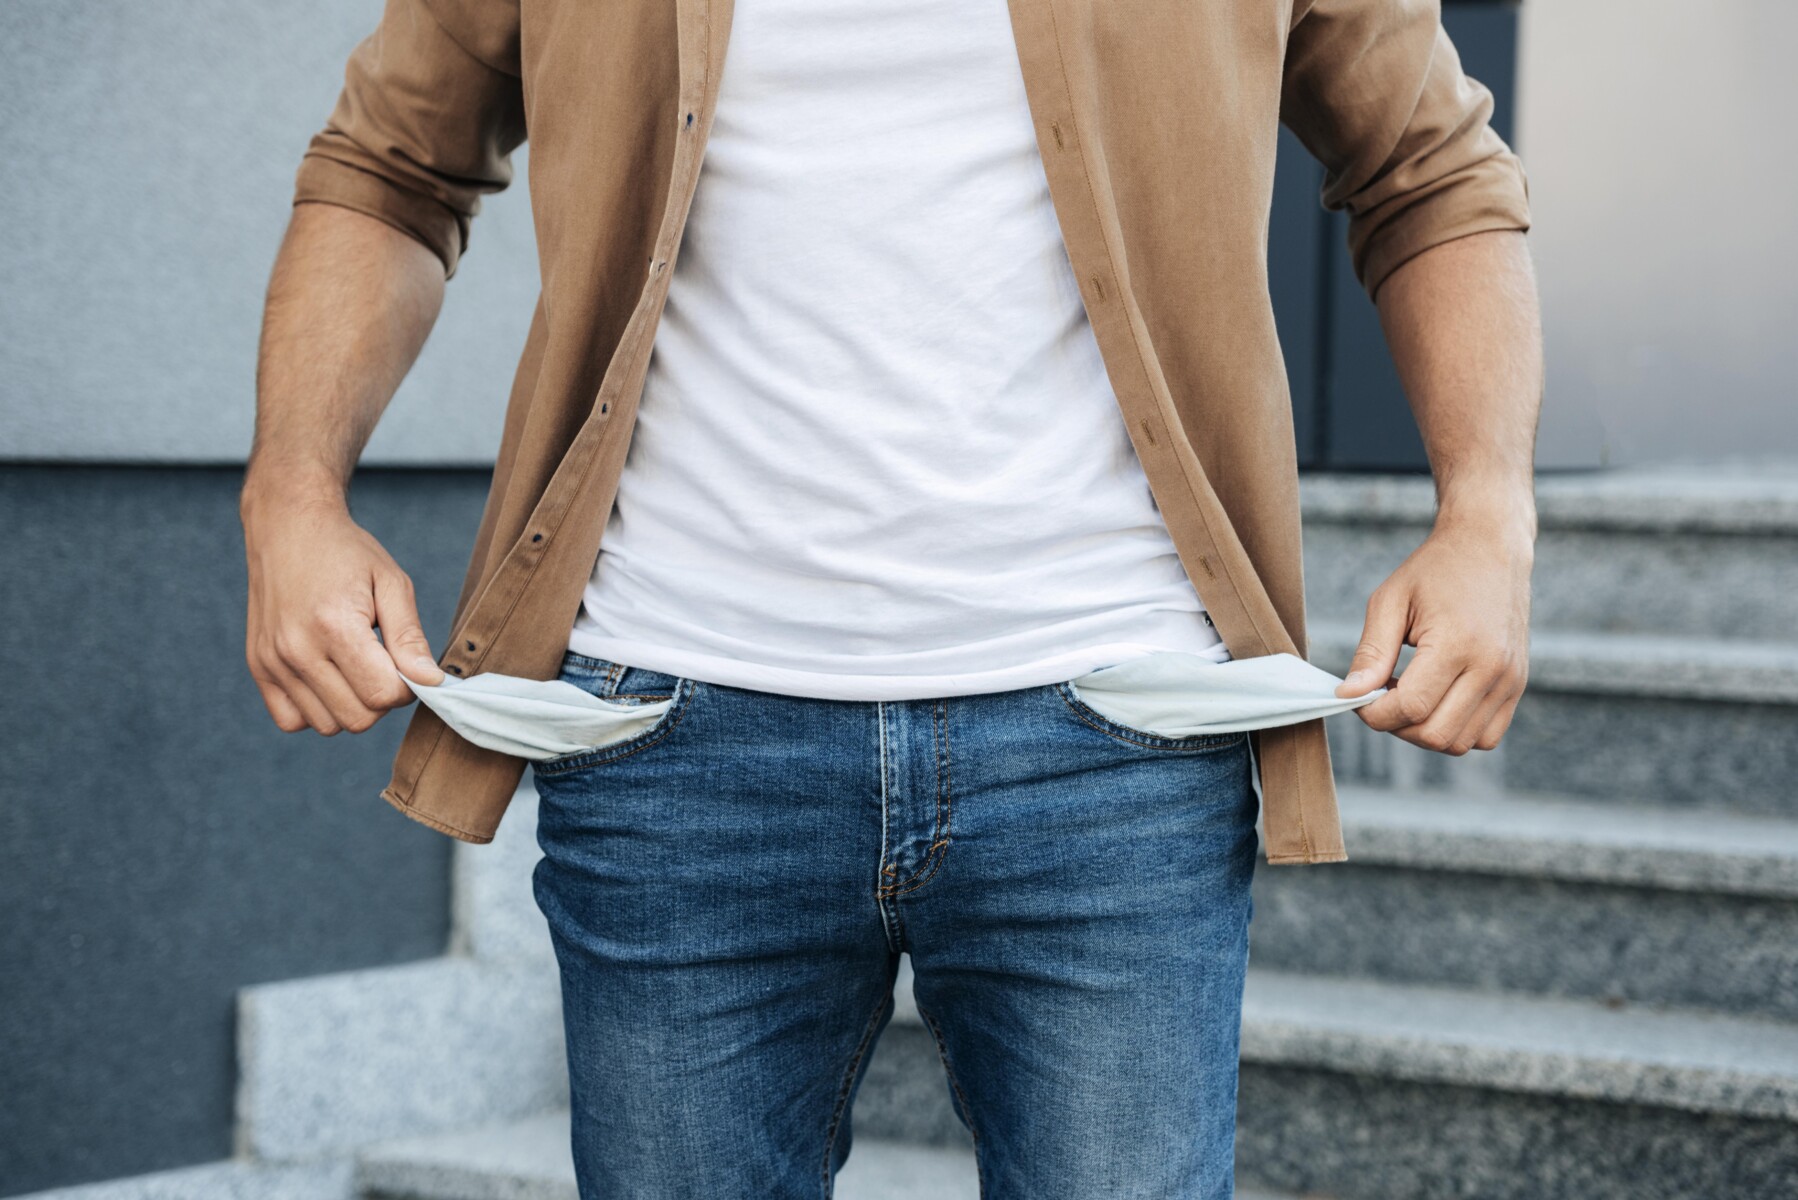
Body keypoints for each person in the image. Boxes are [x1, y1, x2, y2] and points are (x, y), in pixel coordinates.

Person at [240, 0, 1539, 1194]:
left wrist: (1486, 517)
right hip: (672, 748)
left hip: (1116, 747)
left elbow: (1427, 173)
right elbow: (391, 167)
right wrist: (291, 496)